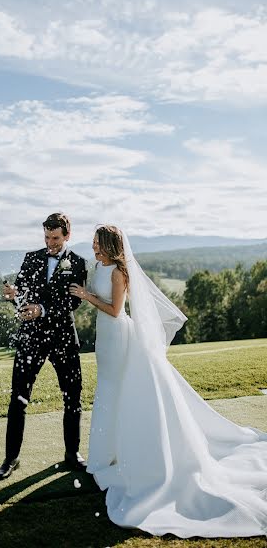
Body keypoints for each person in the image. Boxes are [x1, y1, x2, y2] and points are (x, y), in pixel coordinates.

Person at [70, 225, 267, 538]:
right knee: (107, 390)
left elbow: (116, 310)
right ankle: (106, 452)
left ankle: (117, 451)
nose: (92, 247)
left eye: (96, 243)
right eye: (92, 243)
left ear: (108, 245)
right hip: (104, 339)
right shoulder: (98, 266)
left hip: (118, 335)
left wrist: (87, 296)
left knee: (117, 389)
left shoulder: (120, 273)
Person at [0, 213, 87, 479]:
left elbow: (74, 303)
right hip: (31, 338)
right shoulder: (31, 258)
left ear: (67, 235)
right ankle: (11, 458)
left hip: (63, 339)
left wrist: (43, 309)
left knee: (73, 396)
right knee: (18, 398)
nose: (50, 242)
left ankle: (72, 453)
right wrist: (14, 297)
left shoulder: (78, 263)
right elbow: (22, 297)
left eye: (55, 238)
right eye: (46, 237)